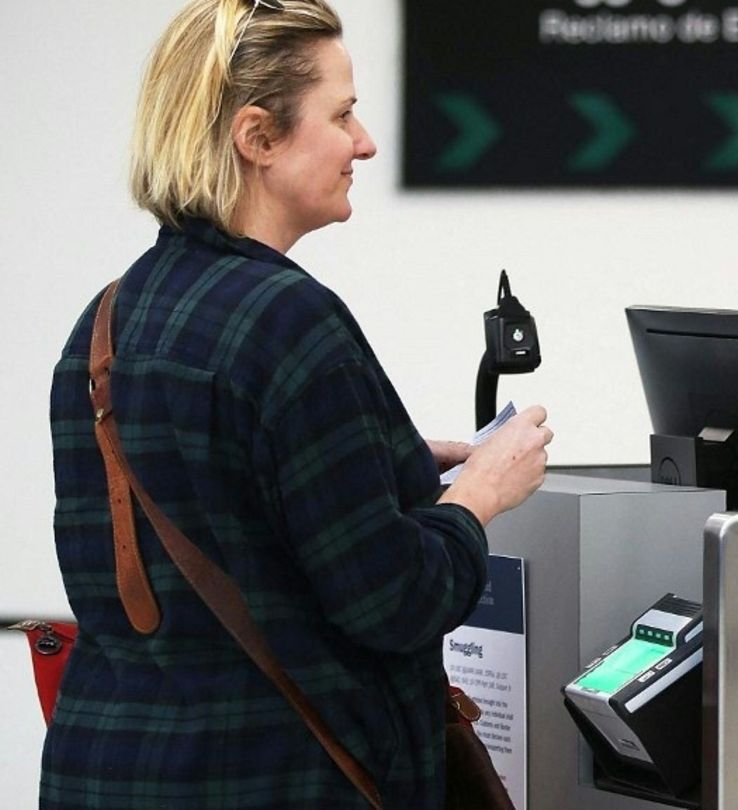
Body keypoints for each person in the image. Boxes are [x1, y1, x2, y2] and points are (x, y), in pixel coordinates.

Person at [42, 0, 553, 807]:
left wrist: (393, 468)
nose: (365, 141)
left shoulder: (104, 321)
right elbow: (395, 601)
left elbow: (221, 515)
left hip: (106, 771)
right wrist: (479, 496)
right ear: (257, 137)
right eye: (342, 114)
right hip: (280, 778)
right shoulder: (289, 319)